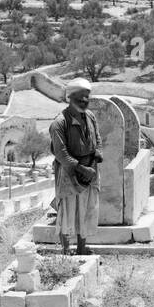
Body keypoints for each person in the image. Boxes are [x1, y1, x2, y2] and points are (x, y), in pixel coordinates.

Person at [48, 77, 103, 255]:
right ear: (69, 98)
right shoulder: (59, 123)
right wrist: (81, 169)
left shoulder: (91, 117)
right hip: (69, 173)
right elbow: (61, 153)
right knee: (68, 211)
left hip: (90, 171)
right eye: (80, 97)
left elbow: (98, 141)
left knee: (86, 210)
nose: (84, 101)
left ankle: (81, 247)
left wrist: (94, 162)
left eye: (87, 97)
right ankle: (65, 250)